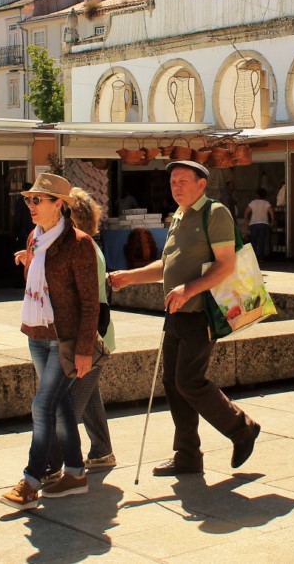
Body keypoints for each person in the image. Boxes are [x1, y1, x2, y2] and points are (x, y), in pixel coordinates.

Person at [109, 160, 261, 477]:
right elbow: (167, 265)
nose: (176, 186)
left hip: (200, 312)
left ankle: (241, 428)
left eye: (183, 181)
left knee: (189, 381)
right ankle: (188, 455)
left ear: (201, 184)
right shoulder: (179, 216)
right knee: (173, 384)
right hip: (177, 311)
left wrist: (188, 289)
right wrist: (129, 277)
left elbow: (226, 265)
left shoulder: (215, 212)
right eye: (173, 182)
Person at [1, 174, 100, 510]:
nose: (31, 206)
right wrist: (30, 262)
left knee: (42, 406)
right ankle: (75, 473)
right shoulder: (34, 239)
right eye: (29, 200)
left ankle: (31, 480)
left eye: (38, 200)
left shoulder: (80, 243)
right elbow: (37, 286)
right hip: (37, 334)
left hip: (65, 339)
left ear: (59, 204)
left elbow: (90, 303)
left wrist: (85, 349)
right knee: (57, 407)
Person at [43, 187, 116, 482]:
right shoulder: (75, 248)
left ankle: (51, 464)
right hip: (91, 338)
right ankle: (102, 451)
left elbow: (89, 304)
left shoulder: (83, 249)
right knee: (88, 397)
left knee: (69, 405)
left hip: (89, 340)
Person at [243, 188, 274, 265]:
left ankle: (253, 258)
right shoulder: (267, 203)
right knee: (262, 242)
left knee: (253, 241)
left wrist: (246, 221)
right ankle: (261, 258)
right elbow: (271, 212)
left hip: (254, 224)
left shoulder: (253, 203)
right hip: (264, 224)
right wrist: (272, 221)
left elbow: (246, 212)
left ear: (257, 195)